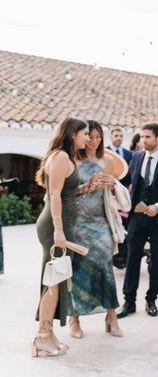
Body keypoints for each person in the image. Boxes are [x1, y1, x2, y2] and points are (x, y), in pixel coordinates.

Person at [32, 118, 91, 357]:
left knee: (57, 279)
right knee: (53, 280)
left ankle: (48, 334)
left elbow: (66, 191)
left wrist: (85, 188)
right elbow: (54, 195)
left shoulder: (65, 158)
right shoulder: (60, 158)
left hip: (63, 226)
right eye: (85, 134)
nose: (88, 138)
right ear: (73, 134)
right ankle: (42, 336)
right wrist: (58, 230)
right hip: (56, 228)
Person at [117, 123, 158, 319]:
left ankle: (151, 299)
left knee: (156, 262)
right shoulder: (136, 157)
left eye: (147, 137)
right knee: (132, 259)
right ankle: (129, 301)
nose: (143, 140)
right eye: (142, 137)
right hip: (137, 219)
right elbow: (127, 181)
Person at [67, 120, 123, 339]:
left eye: (98, 137)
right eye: (90, 136)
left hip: (100, 222)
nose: (94, 141)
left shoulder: (107, 160)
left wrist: (111, 185)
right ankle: (75, 319)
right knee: (78, 270)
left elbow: (114, 190)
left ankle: (112, 317)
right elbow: (64, 193)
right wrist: (87, 186)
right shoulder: (72, 160)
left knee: (106, 269)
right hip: (78, 223)